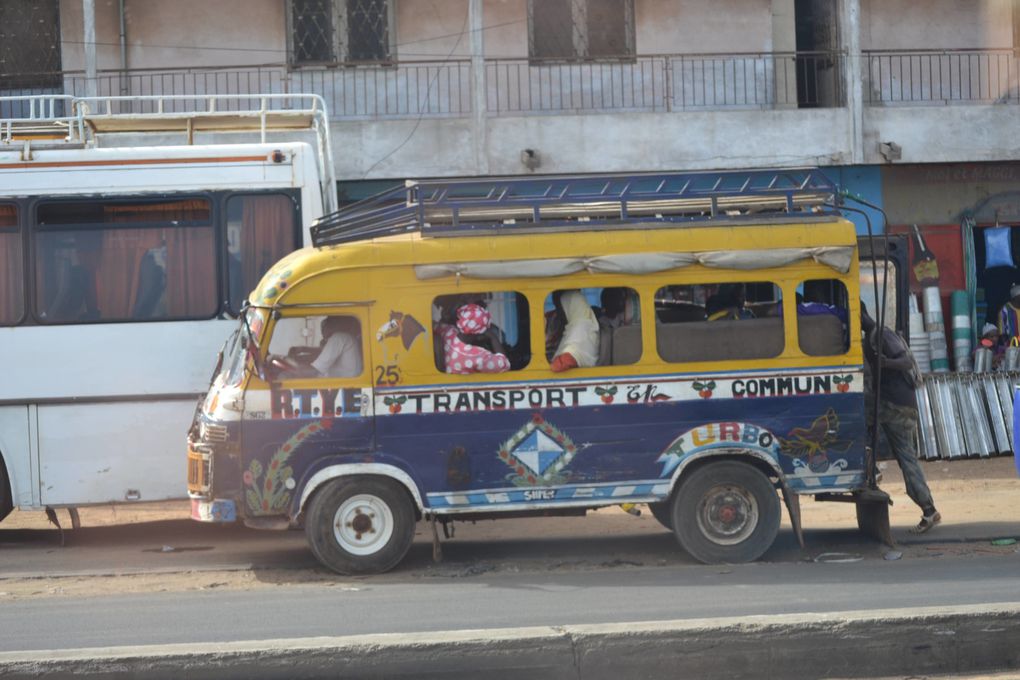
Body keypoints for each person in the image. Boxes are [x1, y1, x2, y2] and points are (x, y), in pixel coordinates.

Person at [861, 303, 941, 534]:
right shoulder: (871, 336)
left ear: (861, 313)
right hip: (889, 404)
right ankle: (871, 471)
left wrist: (884, 363)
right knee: (869, 430)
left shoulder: (882, 334)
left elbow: (906, 362)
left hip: (897, 405)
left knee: (906, 457)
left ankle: (928, 509)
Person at [442, 303, 510, 375]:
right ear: (479, 335)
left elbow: (434, 326)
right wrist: (493, 338)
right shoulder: (478, 356)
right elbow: (504, 365)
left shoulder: (448, 333)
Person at [549, 290, 599, 372]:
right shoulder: (583, 325)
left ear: (569, 307)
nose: (559, 313)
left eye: (562, 308)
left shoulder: (581, 329)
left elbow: (561, 364)